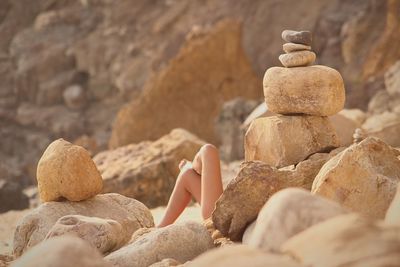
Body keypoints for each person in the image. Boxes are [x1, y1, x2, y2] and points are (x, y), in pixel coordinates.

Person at [158, 144, 223, 227]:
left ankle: (195, 163)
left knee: (208, 150)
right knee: (187, 173)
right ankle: (159, 228)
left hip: (221, 217)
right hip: (221, 213)